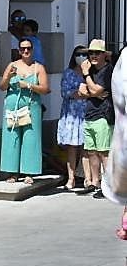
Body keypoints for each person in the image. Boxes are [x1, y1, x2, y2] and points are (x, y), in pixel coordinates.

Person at [0, 36, 48, 182]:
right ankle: (12, 172)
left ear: (32, 50)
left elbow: (45, 89)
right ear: (19, 50)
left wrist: (29, 86)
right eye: (23, 48)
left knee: (30, 138)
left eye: (28, 48)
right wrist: (8, 77)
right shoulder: (12, 65)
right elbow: (2, 87)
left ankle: (29, 172)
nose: (25, 51)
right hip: (13, 106)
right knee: (11, 137)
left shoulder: (38, 67)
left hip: (31, 106)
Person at [83, 40, 115, 198]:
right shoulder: (92, 70)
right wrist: (92, 91)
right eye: (91, 53)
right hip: (89, 114)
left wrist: (86, 76)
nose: (93, 56)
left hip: (103, 115)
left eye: (97, 52)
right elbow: (81, 91)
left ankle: (107, 185)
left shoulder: (107, 70)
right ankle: (94, 182)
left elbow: (97, 90)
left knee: (104, 152)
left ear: (104, 55)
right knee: (91, 151)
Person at [59, 45, 91, 191]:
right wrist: (78, 93)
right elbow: (65, 92)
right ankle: (71, 178)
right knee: (72, 147)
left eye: (84, 55)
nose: (81, 57)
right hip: (71, 114)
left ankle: (88, 179)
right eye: (79, 54)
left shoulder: (90, 73)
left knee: (86, 147)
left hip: (86, 113)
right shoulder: (68, 73)